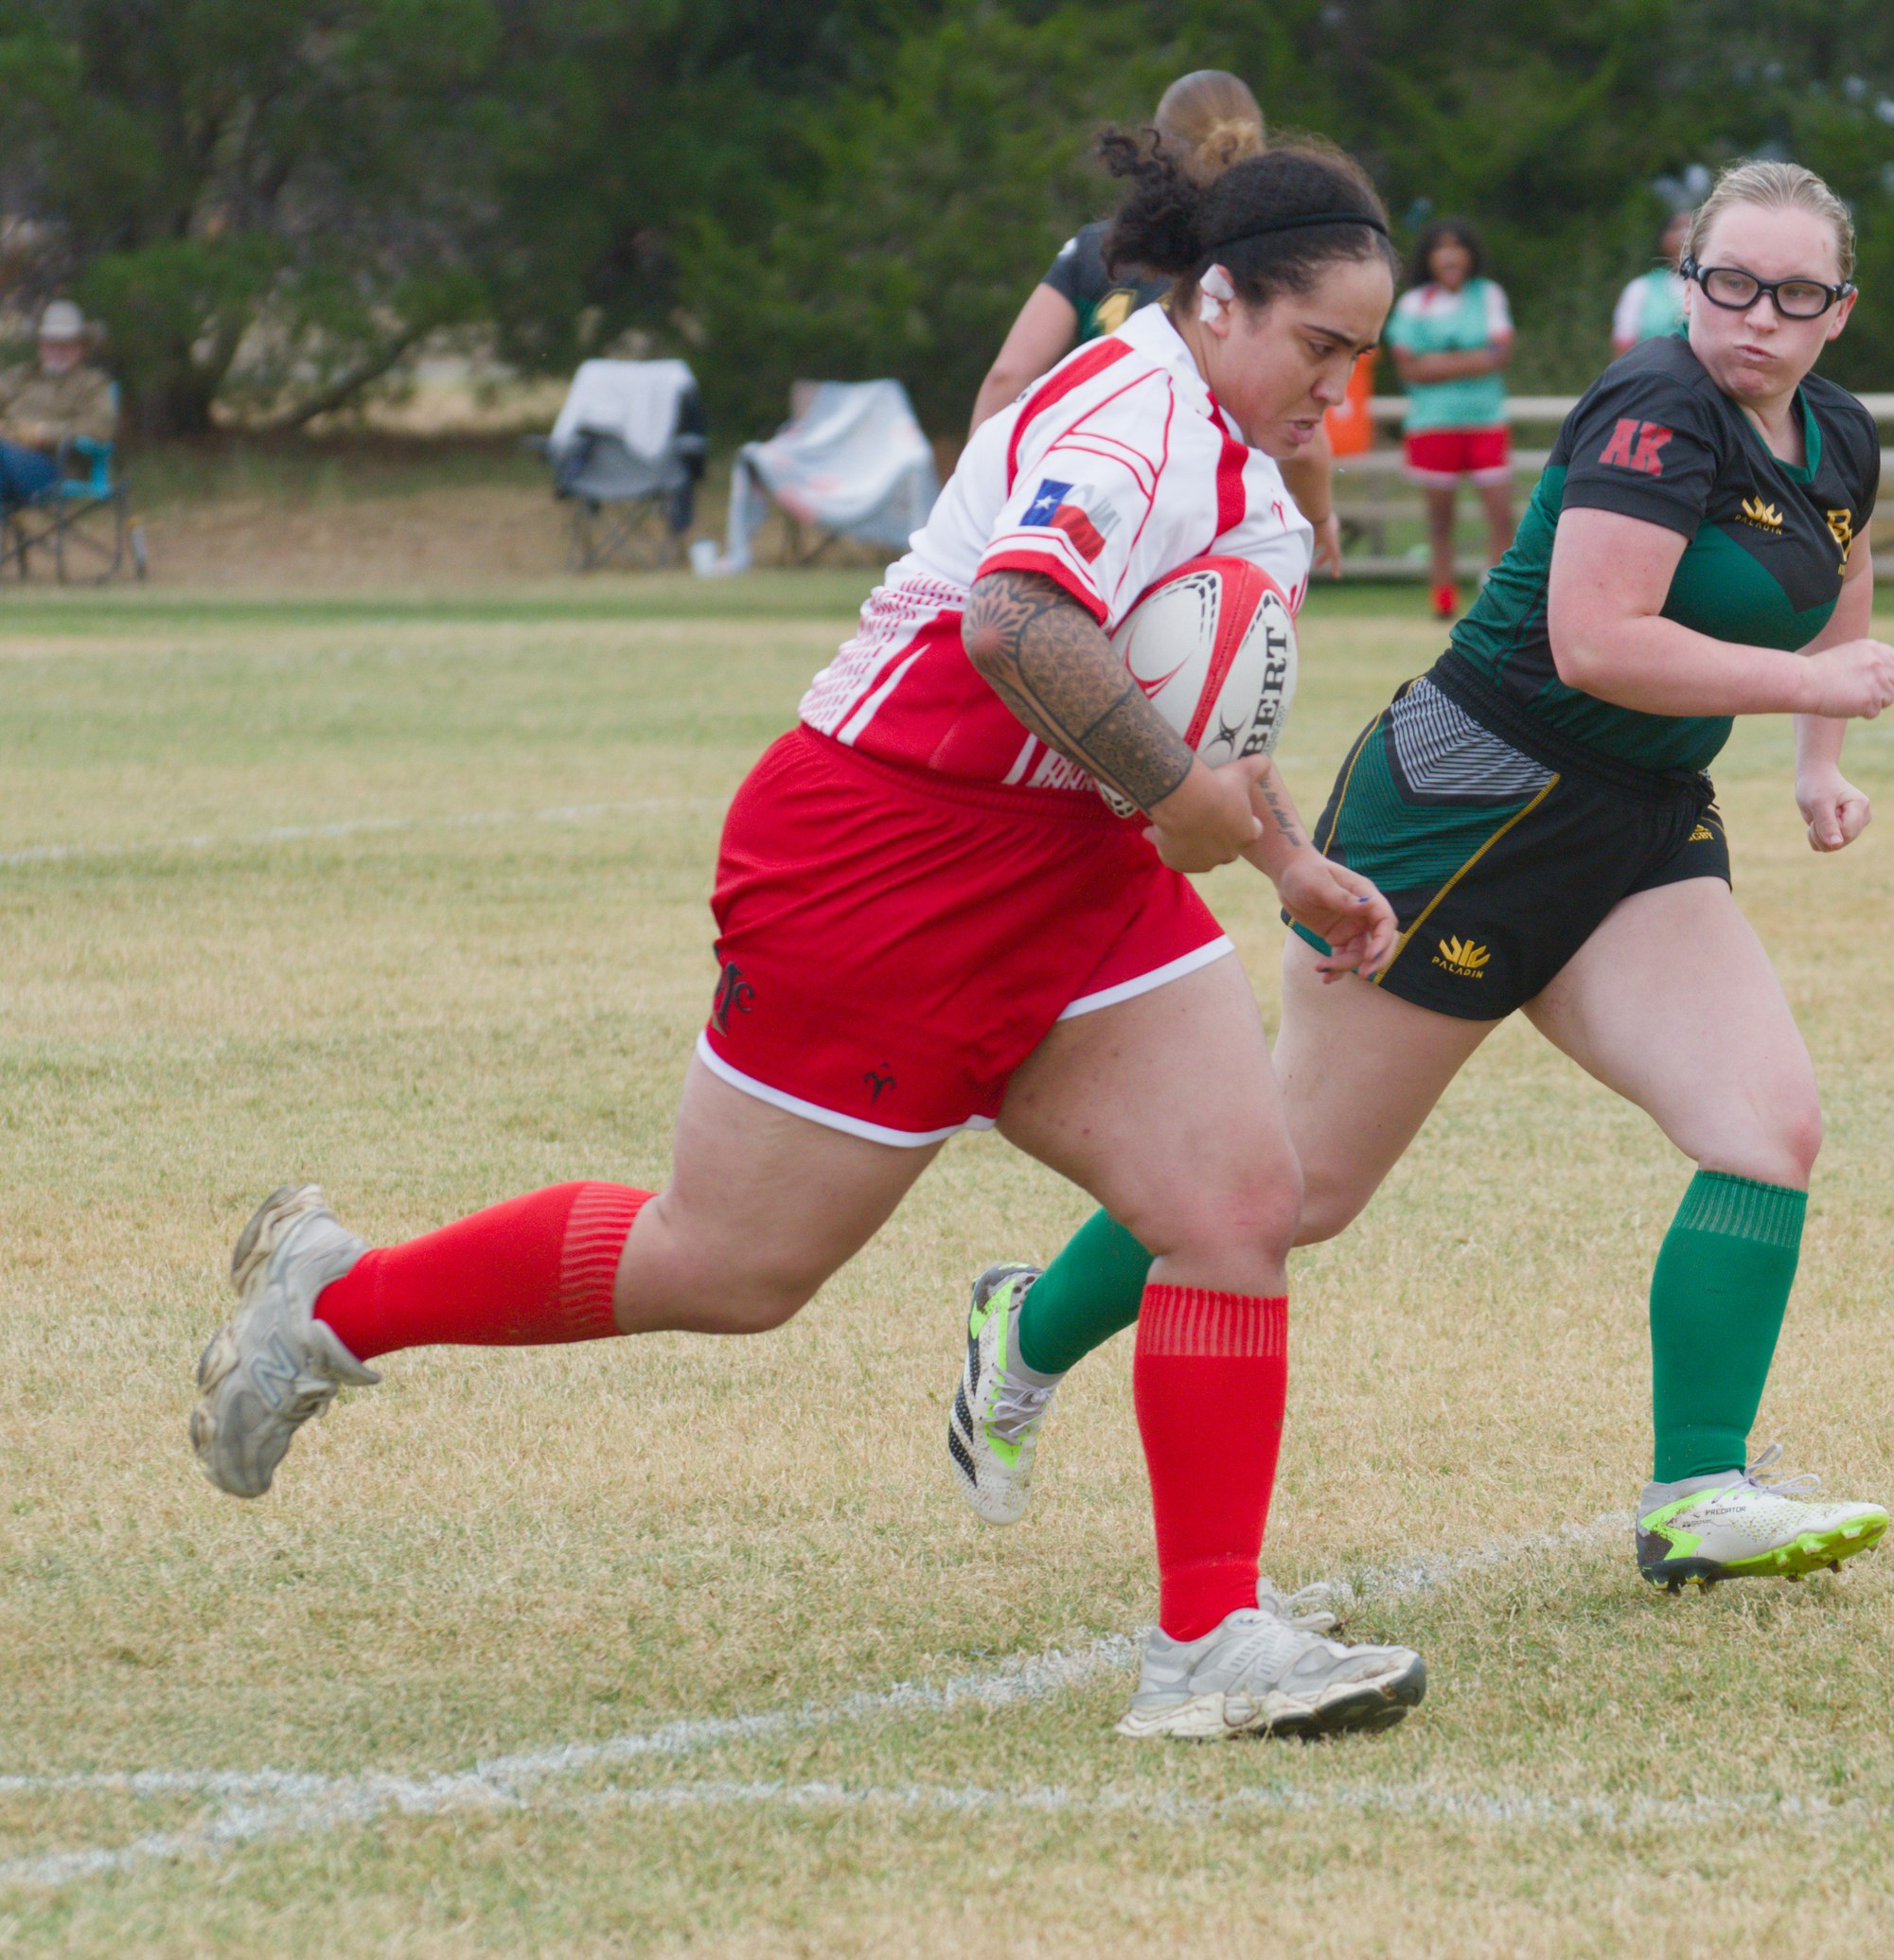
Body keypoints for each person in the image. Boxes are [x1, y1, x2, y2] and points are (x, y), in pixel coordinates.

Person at [188, 132, 1429, 1742]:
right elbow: (1016, 619)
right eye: (1320, 344)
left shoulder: (1246, 459)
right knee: (728, 1265)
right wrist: (1177, 793)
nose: (1338, 386)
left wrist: (1284, 857)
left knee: (1238, 1199)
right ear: (1216, 297)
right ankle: (337, 1305)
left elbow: (1193, 719)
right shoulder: (1131, 416)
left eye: (1360, 357)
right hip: (886, 853)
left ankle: (1207, 1639)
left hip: (1073, 864)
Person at [949, 159, 1894, 1598]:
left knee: (1767, 1127)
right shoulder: (1656, 409)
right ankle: (1026, 1325)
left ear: (1841, 309)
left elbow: (1842, 580)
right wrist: (1809, 686)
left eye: (1795, 293)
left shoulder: (1836, 433)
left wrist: (1815, 760)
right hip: (1470, 802)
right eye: (1730, 283)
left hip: (1641, 821)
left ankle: (1698, 1490)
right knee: (1291, 1190)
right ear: (1686, 281)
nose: (1757, 317)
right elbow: (1597, 642)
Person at [969, 72, 1351, 580]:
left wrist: (974, 506)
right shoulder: (1267, 263)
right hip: (1210, 520)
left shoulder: (1103, 247)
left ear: (1162, 145)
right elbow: (1302, 441)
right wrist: (1320, 519)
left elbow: (1009, 376)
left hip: (1096, 502)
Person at [1384, 219, 1514, 620]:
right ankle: (1442, 598)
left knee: (1501, 515)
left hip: (1485, 421)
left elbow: (1499, 355)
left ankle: (1495, 600)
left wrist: (1435, 362)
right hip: (1433, 424)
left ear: (1470, 255)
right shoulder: (1414, 303)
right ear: (1429, 258)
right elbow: (1409, 369)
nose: (1450, 255)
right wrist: (1474, 359)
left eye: (1458, 246)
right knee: (1441, 521)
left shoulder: (1488, 295)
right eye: (1441, 247)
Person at [0, 300, 115, 509]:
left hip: (50, 467)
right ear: (40, 345)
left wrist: (44, 433)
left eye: (65, 344)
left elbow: (101, 427)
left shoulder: (92, 384)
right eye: (51, 343)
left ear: (80, 347)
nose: (57, 350)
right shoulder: (20, 377)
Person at [1612, 208, 1692, 354]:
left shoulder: (1715, 288)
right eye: (1676, 228)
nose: (1684, 234)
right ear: (1663, 238)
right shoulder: (1640, 288)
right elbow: (1623, 349)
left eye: (1691, 227)